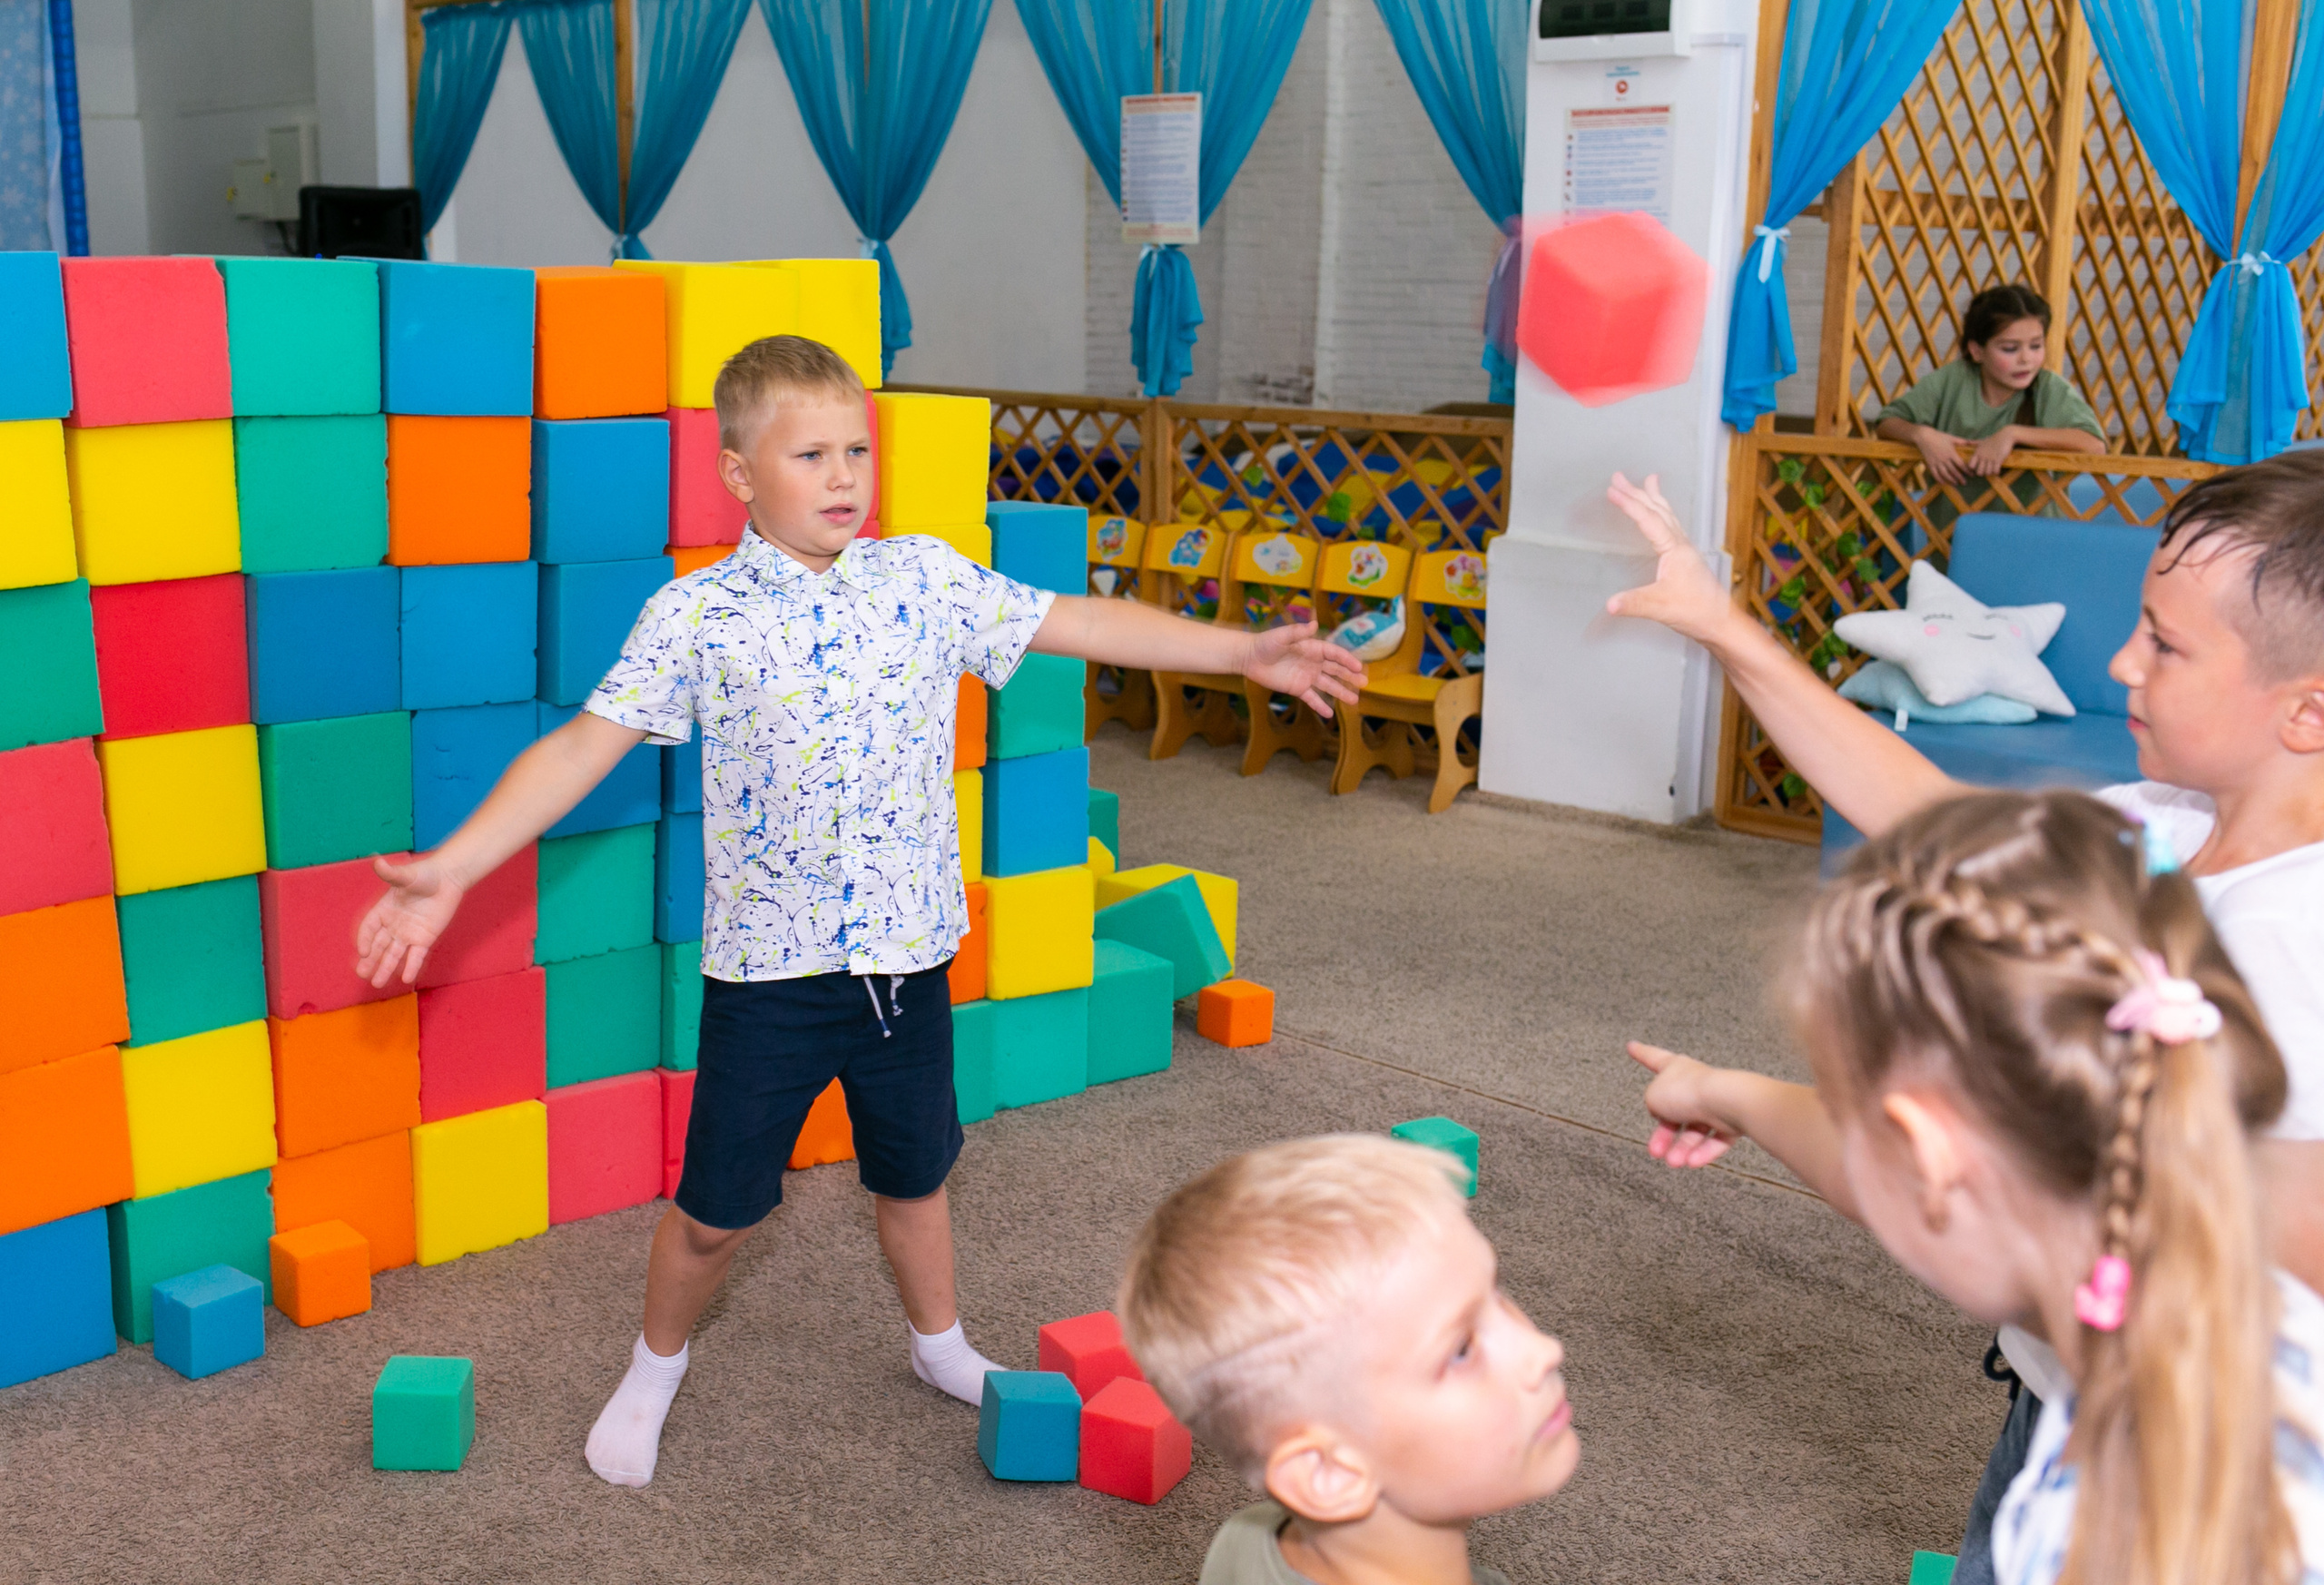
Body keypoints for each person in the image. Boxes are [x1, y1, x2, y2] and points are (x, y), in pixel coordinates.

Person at [350, 335, 1366, 1488]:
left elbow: (1077, 624)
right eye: (810, 454)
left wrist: (1242, 652)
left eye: (857, 450)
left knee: (916, 1177)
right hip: (769, 983)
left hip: (906, 963)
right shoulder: (699, 616)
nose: (844, 476)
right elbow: (586, 744)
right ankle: (654, 1362)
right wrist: (456, 865)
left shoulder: (923, 581)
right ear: (739, 474)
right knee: (714, 1215)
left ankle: (939, 1345)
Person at [1602, 454, 2324, 1578]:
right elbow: (1925, 813)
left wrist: (1742, 1094)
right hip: (2068, 1403)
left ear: (2308, 709)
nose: (2123, 660)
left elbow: (2007, 1200)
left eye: (2166, 645)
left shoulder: (2291, 938)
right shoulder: (2164, 826)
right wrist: (1725, 627)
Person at [1635, 791, 2324, 1585]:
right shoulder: (2252, 1317)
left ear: (1931, 1161)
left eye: (1848, 1113)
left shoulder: (2100, 1529)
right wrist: (1726, 1093)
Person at [1118, 1134, 1578, 1585]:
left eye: (1498, 1294)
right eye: (1460, 1351)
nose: (1543, 1349)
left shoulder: (1243, 1540)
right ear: (1328, 1474)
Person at [1872, 284, 2106, 482]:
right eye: (2010, 348)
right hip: (1951, 532)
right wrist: (1922, 435)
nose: (2026, 359)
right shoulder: (1952, 380)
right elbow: (1888, 423)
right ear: (1976, 351)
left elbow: (2094, 445)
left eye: (2036, 346)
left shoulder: (2048, 387)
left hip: (2032, 530)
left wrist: (2012, 434)